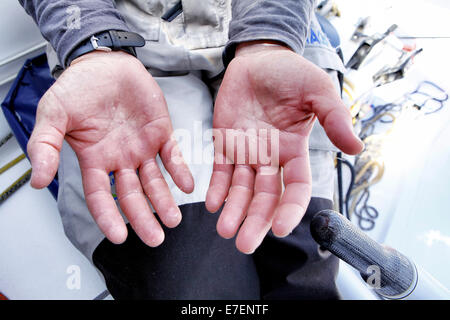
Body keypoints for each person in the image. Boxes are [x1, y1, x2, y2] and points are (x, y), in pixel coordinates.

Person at [19, 0, 363, 299]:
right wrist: (90, 44)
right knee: (185, 286)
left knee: (304, 277)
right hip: (127, 52)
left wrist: (269, 37)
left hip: (277, 46)